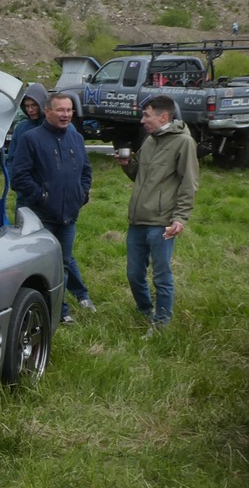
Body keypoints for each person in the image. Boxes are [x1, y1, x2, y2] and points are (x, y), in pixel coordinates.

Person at [115, 95, 200, 330]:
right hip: (137, 219)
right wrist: (127, 165)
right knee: (134, 274)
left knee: (161, 276)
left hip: (162, 222)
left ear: (163, 116)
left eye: (146, 115)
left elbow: (189, 183)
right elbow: (138, 176)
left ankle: (161, 323)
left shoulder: (184, 142)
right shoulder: (150, 140)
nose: (142, 120)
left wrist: (180, 218)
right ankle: (145, 311)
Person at [10, 92, 94, 324]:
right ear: (47, 112)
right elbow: (19, 177)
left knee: (63, 265)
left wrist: (82, 194)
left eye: (69, 110)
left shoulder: (75, 138)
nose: (66, 114)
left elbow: (86, 171)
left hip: (69, 216)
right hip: (41, 216)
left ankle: (61, 310)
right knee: (42, 268)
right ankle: (50, 311)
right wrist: (42, 197)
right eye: (60, 110)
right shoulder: (31, 138)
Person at [7, 82, 48, 164]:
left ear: (43, 104)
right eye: (26, 106)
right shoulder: (21, 128)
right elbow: (12, 158)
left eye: (34, 105)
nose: (30, 110)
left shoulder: (55, 126)